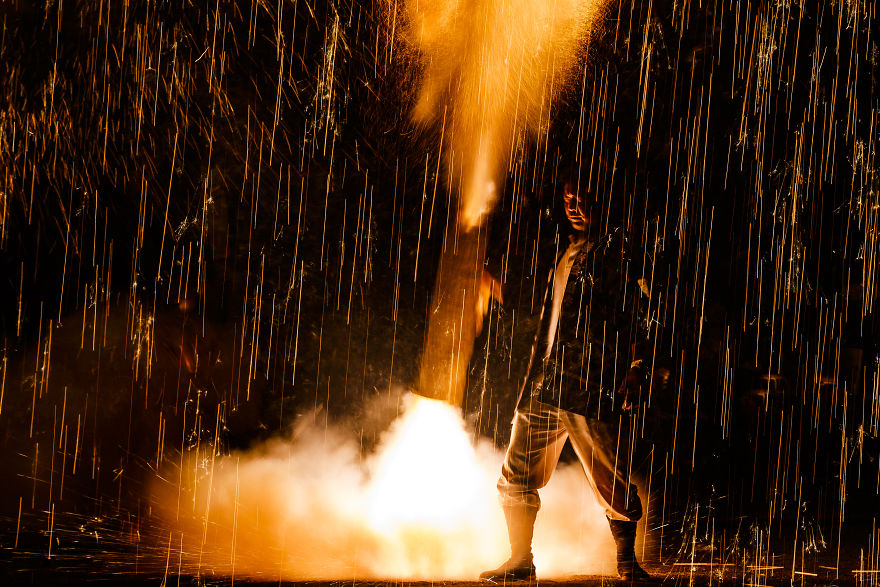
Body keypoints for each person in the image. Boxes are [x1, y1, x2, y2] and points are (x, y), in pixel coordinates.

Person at [480, 183, 659, 583]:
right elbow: (550, 315)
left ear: (602, 199)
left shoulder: (620, 252)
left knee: (610, 479)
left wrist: (636, 366)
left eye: (583, 200)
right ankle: (520, 561)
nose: (575, 208)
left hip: (590, 383)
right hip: (546, 380)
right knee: (516, 474)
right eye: (568, 201)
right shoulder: (566, 252)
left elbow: (647, 314)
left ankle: (628, 565)